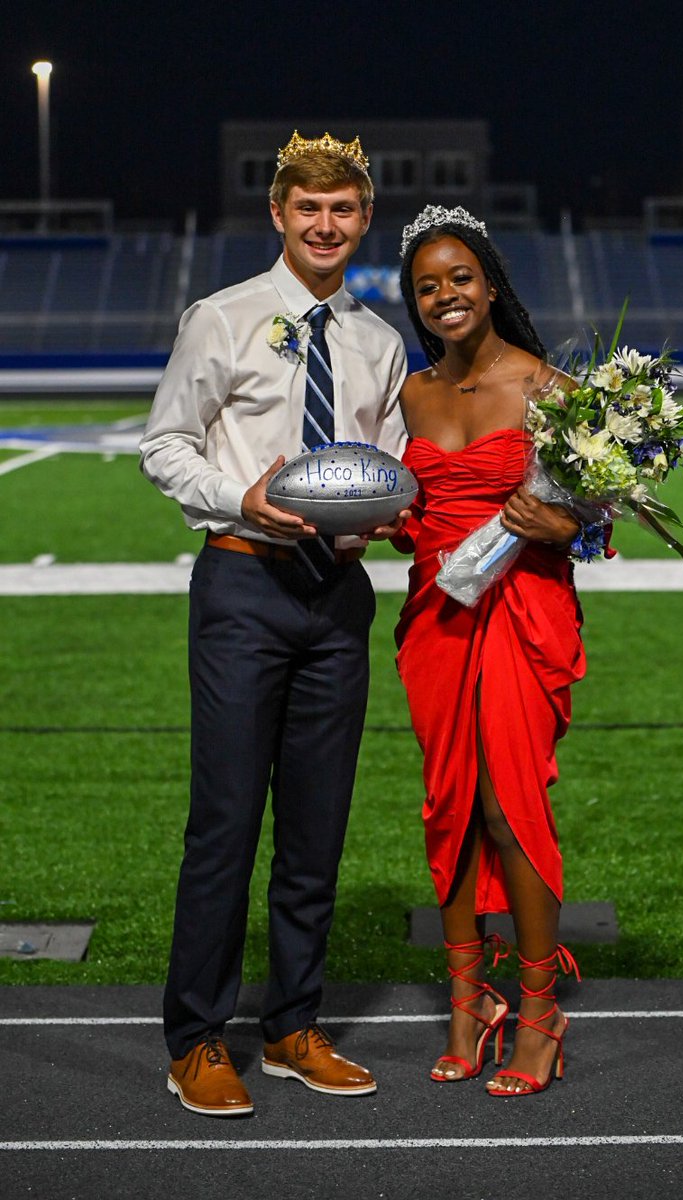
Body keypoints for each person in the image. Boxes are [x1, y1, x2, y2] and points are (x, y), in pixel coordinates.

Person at [139, 131, 408, 1116]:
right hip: (244, 585)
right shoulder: (223, 319)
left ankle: (294, 1025)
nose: (325, 225)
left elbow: (388, 472)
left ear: (363, 217)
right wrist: (241, 498)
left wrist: (388, 518)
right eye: (309, 208)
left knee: (315, 826)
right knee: (223, 824)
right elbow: (163, 447)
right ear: (279, 214)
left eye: (342, 209)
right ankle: (196, 1039)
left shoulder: (378, 342)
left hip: (336, 598)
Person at [393, 205, 583, 1097]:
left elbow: (596, 515)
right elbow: (409, 508)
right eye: (427, 286)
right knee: (452, 810)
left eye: (458, 278)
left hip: (520, 610)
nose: (444, 296)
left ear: (490, 281)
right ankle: (471, 1006)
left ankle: (539, 1015)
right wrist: (396, 524)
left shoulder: (548, 386)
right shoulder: (412, 393)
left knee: (509, 806)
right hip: (435, 615)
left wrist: (574, 520)